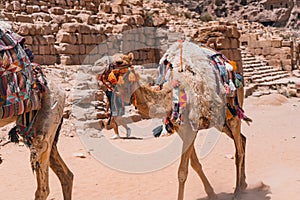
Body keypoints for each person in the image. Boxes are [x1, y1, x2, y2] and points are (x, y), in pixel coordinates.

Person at [100, 64, 131, 139]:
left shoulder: (117, 87)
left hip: (118, 104)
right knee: (114, 119)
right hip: (112, 106)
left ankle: (126, 129)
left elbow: (122, 95)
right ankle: (117, 134)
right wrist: (107, 110)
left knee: (118, 119)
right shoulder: (108, 91)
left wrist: (123, 104)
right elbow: (108, 100)